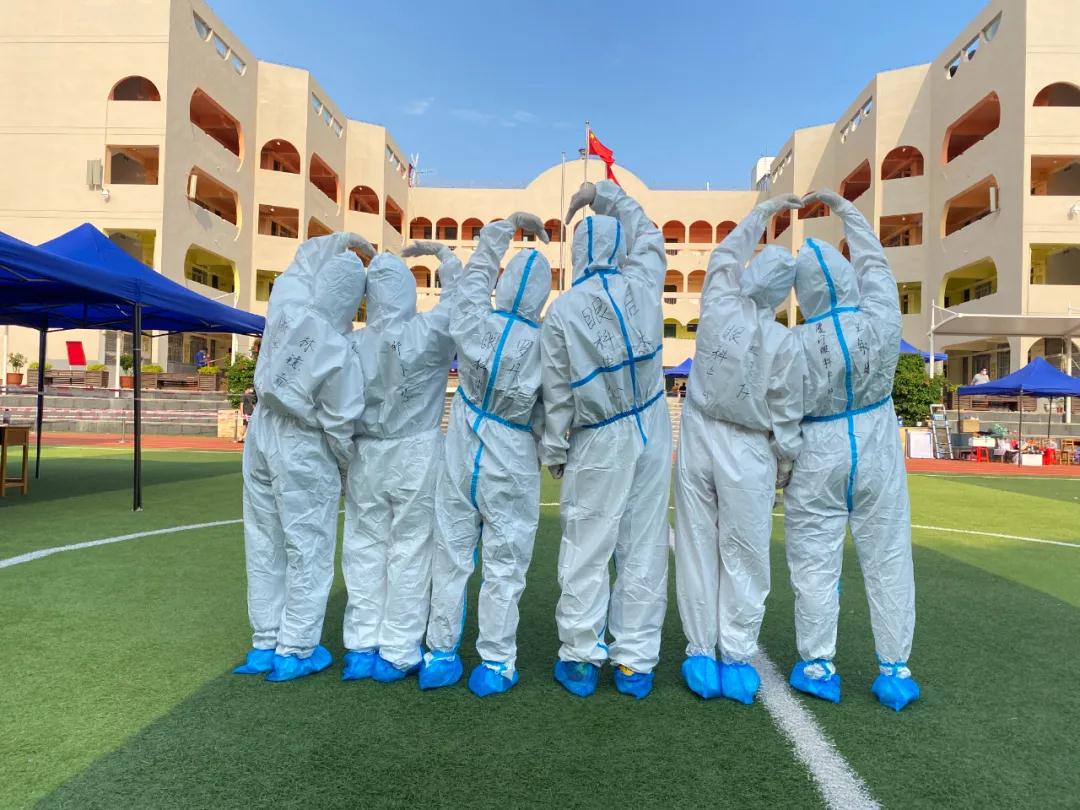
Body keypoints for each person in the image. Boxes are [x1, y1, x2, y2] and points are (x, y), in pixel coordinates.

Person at [781, 188, 919, 711]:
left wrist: (782, 468)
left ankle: (818, 665)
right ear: (845, 279)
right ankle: (895, 668)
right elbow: (875, 264)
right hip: (877, 440)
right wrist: (845, 211)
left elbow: (783, 413)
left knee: (814, 560)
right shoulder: (880, 318)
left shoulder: (793, 344)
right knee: (889, 555)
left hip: (817, 449)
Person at [540, 180, 671, 700]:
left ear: (577, 255)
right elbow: (650, 234)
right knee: (643, 544)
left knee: (587, 543)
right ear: (620, 249)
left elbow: (557, 393)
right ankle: (634, 660)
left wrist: (555, 448)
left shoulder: (563, 311)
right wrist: (605, 196)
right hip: (651, 423)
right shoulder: (644, 281)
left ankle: (579, 656)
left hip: (598, 436)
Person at [673, 195, 805, 704]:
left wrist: (760, 215)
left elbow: (724, 255)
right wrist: (786, 462)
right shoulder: (783, 342)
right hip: (749, 446)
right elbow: (787, 413)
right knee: (745, 554)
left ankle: (700, 652)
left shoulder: (717, 305)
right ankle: (736, 654)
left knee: (696, 544)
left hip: (699, 433)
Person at [421, 213, 551, 697]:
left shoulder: (474, 320)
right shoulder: (546, 347)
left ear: (504, 284)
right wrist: (551, 449)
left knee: (450, 553)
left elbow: (475, 277)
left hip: (463, 447)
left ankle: (439, 654)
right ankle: (495, 662)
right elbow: (555, 410)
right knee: (505, 563)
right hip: (513, 458)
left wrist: (502, 230)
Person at [233, 232, 373, 682]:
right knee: (307, 545)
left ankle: (265, 640)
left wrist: (341, 240)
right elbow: (341, 423)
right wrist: (347, 469)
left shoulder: (286, 307)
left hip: (261, 432)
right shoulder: (338, 350)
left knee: (264, 540)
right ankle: (295, 648)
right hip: (303, 445)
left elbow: (302, 261)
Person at [340, 246, 461, 683]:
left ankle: (361, 645)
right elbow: (458, 301)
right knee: (411, 548)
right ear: (408, 291)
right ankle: (398, 649)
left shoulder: (353, 343)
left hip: (366, 452)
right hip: (415, 452)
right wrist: (445, 258)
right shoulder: (427, 331)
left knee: (364, 546)